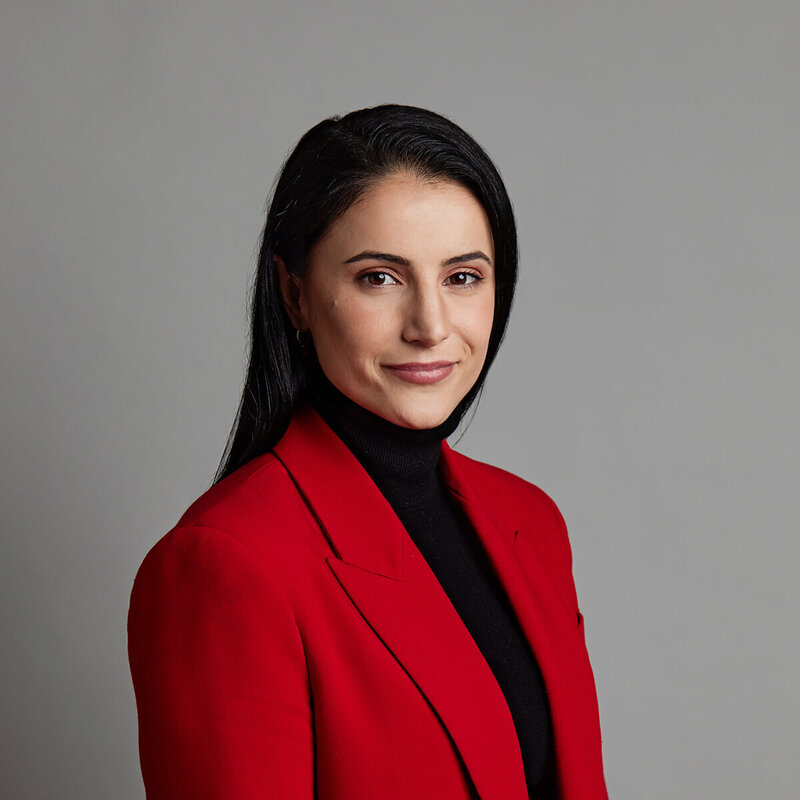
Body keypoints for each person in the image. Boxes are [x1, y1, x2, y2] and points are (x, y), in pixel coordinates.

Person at [127, 104, 608, 800]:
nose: (430, 325)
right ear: (295, 294)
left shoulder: (531, 520)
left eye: (463, 277)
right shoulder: (227, 564)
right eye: (380, 277)